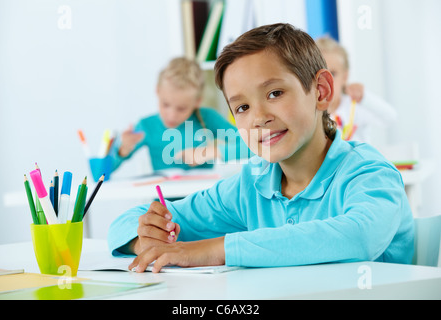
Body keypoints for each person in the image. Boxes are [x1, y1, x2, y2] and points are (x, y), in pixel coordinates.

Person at [107, 23, 414, 272]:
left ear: (320, 91)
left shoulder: (369, 173)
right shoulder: (250, 187)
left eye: (274, 93)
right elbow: (125, 223)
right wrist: (146, 237)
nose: (258, 118)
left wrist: (213, 250)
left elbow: (359, 236)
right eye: (241, 108)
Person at [108, 57, 250, 173]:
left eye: (181, 109)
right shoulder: (147, 126)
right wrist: (122, 150)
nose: (171, 115)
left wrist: (208, 152)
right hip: (164, 205)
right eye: (165, 104)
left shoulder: (207, 117)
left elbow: (252, 146)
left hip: (203, 201)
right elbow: (101, 175)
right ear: (157, 91)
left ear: (197, 102)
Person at [316, 37, 397, 143]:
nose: (327, 81)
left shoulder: (354, 105)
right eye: (320, 74)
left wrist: (365, 98)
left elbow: (390, 117)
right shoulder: (311, 112)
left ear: (345, 77)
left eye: (333, 74)